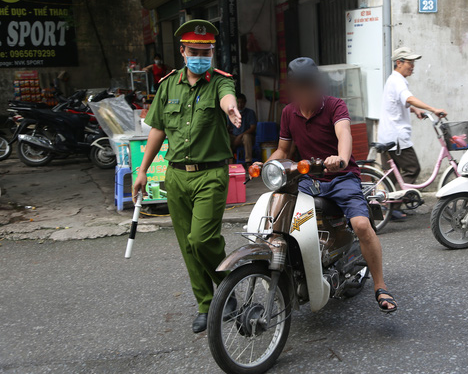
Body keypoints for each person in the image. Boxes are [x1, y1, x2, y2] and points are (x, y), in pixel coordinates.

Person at [133, 19, 242, 333]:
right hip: (176, 176)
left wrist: (231, 108)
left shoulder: (220, 81)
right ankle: (207, 305)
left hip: (210, 174)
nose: (201, 57)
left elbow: (226, 97)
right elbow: (158, 129)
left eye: (206, 52)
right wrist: (141, 171)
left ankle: (228, 288)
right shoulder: (168, 85)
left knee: (202, 238)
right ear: (182, 51)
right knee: (188, 245)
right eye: (194, 51)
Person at [264, 57, 397, 313]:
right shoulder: (288, 113)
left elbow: (343, 133)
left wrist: (341, 158)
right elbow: (282, 149)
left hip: (340, 178)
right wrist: (264, 166)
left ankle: (380, 285)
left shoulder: (335, 106)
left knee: (360, 224)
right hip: (308, 180)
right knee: (282, 212)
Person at [377, 46, 448, 219]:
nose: (413, 66)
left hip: (387, 135)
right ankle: (394, 206)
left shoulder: (393, 80)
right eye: (410, 62)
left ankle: (384, 208)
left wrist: (414, 110)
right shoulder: (398, 81)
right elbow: (407, 98)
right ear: (399, 63)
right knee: (412, 168)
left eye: (413, 62)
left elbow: (398, 103)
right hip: (397, 138)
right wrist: (432, 109)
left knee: (391, 176)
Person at [229, 93, 257, 163]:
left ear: (245, 103)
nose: (240, 104)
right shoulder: (232, 113)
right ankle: (230, 161)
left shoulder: (250, 112)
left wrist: (240, 136)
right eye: (238, 102)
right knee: (225, 137)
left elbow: (253, 128)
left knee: (246, 137)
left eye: (242, 102)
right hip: (234, 137)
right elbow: (227, 127)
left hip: (247, 137)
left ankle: (248, 162)